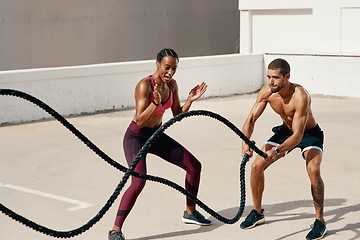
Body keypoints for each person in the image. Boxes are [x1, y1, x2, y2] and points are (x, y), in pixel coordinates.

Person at [108, 48, 211, 240]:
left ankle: (190, 212)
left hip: (156, 134)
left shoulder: (171, 85)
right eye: (167, 67)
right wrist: (154, 104)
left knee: (194, 166)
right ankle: (115, 230)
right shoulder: (144, 85)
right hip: (136, 137)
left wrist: (190, 100)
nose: (170, 72)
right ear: (157, 64)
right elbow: (139, 120)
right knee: (139, 181)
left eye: (174, 68)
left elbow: (177, 115)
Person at [239, 59, 327, 240]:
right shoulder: (267, 91)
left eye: (275, 78)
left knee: (314, 170)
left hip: (308, 134)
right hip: (285, 132)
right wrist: (245, 142)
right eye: (268, 77)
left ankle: (320, 221)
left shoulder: (300, 96)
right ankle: (257, 212)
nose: (270, 81)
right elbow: (251, 120)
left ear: (287, 77)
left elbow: (298, 136)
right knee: (256, 166)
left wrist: (277, 151)